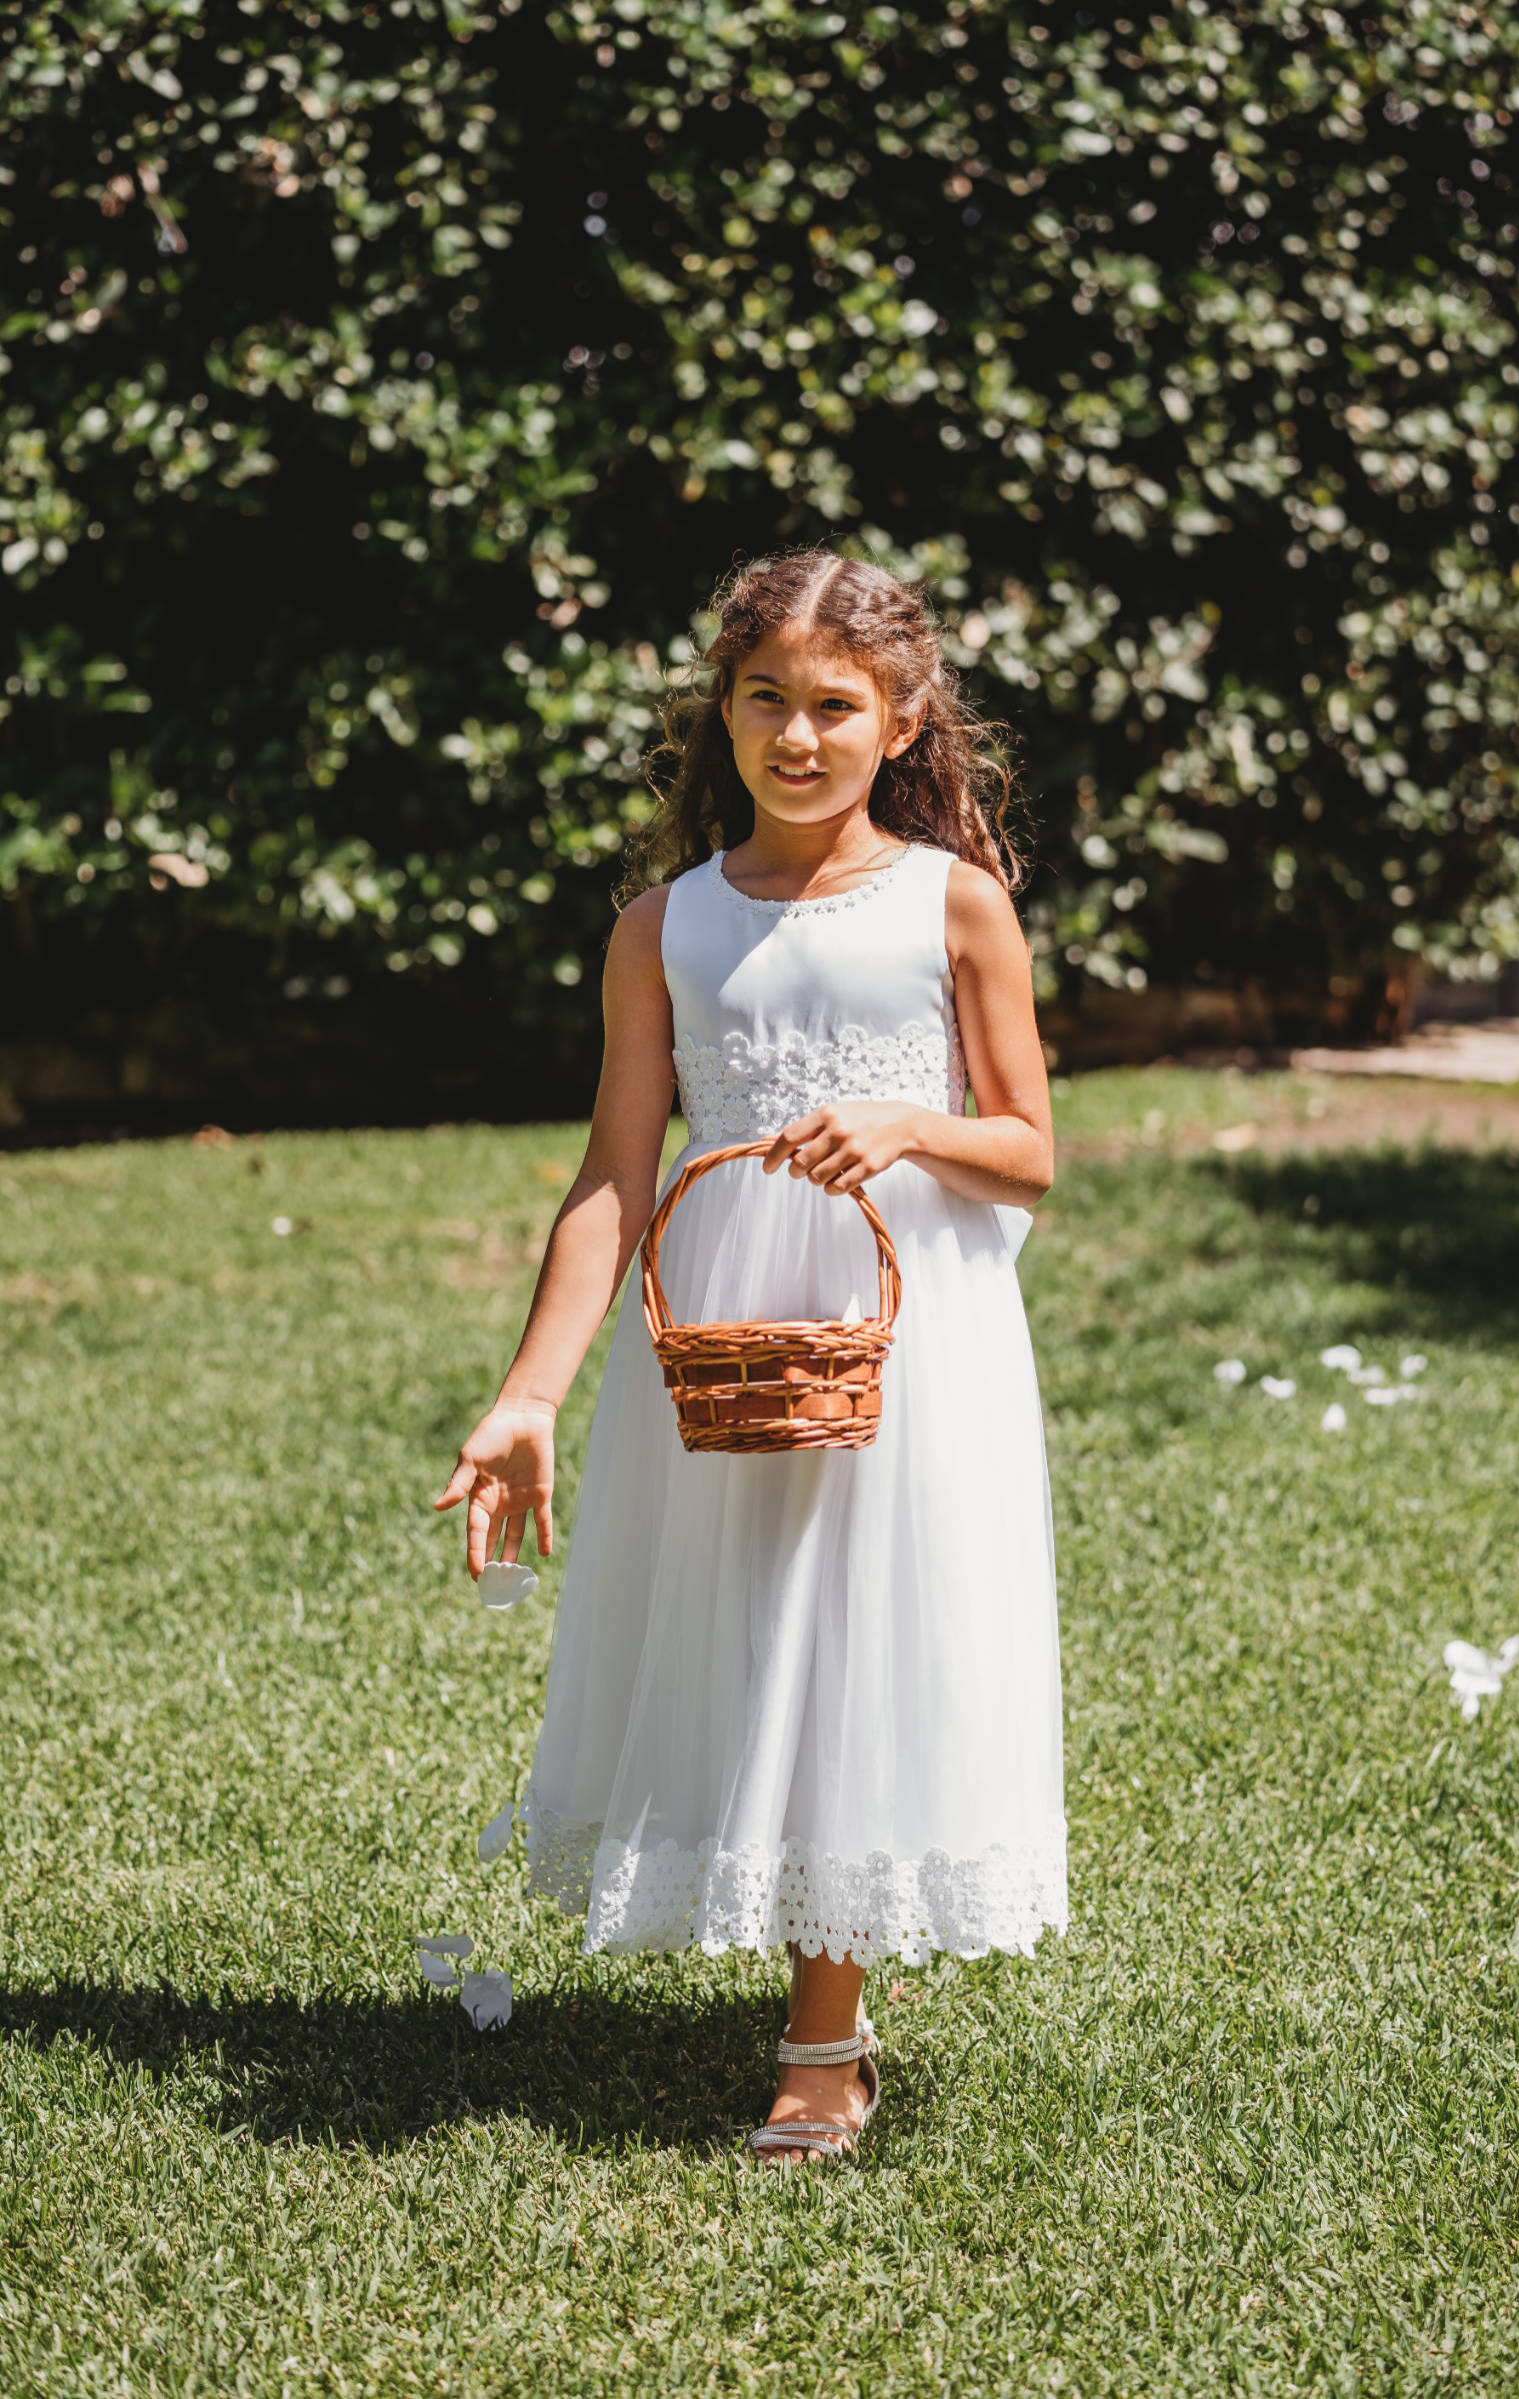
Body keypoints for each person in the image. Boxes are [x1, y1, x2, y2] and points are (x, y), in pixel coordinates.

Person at [437, 549, 1067, 2163]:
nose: (798, 736)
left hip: (895, 1327)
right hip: (715, 1330)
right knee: (752, 1629)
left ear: (902, 716)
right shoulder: (668, 926)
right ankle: (821, 1946)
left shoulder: (952, 904)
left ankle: (824, 2034)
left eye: (834, 706)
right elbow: (613, 1174)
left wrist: (912, 1123)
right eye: (764, 701)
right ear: (719, 713)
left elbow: (1030, 1153)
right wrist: (530, 1394)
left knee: (853, 1630)